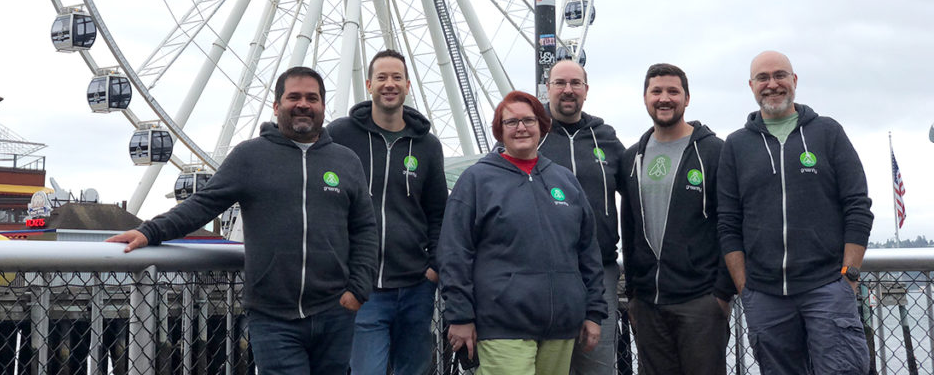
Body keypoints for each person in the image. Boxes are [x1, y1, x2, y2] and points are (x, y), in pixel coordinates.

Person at [107, 67, 378, 375]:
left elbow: (365, 229)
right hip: (273, 317)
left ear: (322, 107)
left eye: (311, 98)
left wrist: (358, 290)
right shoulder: (251, 156)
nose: (303, 104)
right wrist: (150, 231)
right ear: (277, 107)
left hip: (335, 314)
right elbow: (203, 204)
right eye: (294, 97)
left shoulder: (346, 161)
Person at [717, 51, 874, 375]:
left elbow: (857, 206)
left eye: (780, 75)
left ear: (794, 81)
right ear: (751, 86)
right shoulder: (736, 145)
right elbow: (729, 223)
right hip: (765, 296)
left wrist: (849, 277)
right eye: (763, 78)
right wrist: (746, 288)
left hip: (828, 288)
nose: (772, 84)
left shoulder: (828, 133)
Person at [438, 91, 607, 375]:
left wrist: (593, 312)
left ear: (542, 125)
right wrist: (460, 316)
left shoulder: (564, 180)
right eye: (511, 122)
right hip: (501, 325)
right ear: (499, 130)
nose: (521, 128)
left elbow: (587, 250)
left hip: (561, 325)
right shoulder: (477, 180)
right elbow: (455, 252)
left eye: (528, 120)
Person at [328, 50, 447, 375]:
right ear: (369, 84)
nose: (389, 84)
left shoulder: (427, 146)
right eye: (382, 77)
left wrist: (433, 268)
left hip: (416, 285)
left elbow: (438, 212)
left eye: (396, 77)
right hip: (363, 288)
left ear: (408, 85)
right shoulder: (341, 136)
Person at [618, 63, 734, 375]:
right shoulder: (631, 158)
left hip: (701, 301)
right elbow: (627, 229)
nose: (664, 98)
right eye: (656, 91)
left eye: (673, 91)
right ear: (645, 98)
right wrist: (632, 294)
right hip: (648, 303)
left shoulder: (714, 152)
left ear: (687, 98)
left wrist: (721, 294)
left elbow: (730, 224)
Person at [539, 59, 624, 375]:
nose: (568, 90)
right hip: (541, 273)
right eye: (560, 83)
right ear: (548, 89)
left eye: (575, 83)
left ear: (586, 90)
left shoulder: (606, 137)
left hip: (598, 273)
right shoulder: (532, 132)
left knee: (598, 364)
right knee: (549, 366)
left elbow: (636, 194)